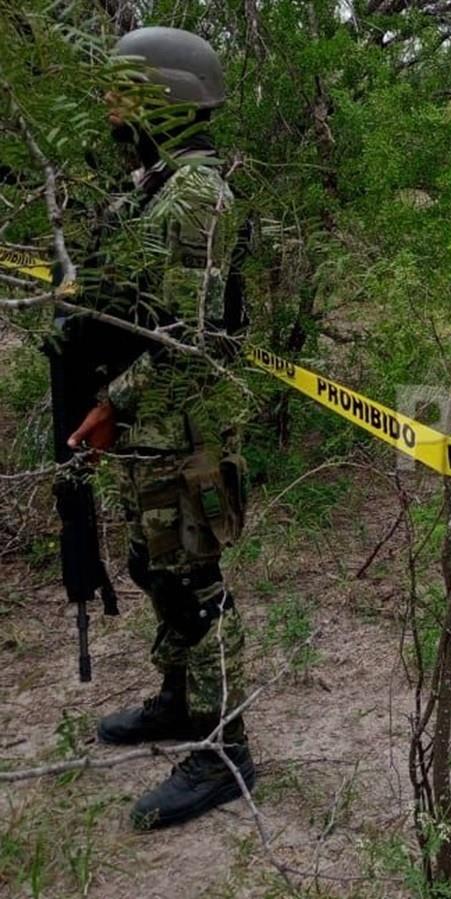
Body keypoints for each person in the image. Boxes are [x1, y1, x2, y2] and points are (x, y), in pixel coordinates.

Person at [65, 25, 255, 830]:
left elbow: (196, 339)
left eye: (120, 98)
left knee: (196, 582)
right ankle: (181, 701)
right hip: (152, 425)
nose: (109, 114)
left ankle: (225, 748)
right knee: (154, 565)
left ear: (161, 102)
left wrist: (114, 403)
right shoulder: (153, 187)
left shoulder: (194, 198)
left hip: (184, 427)